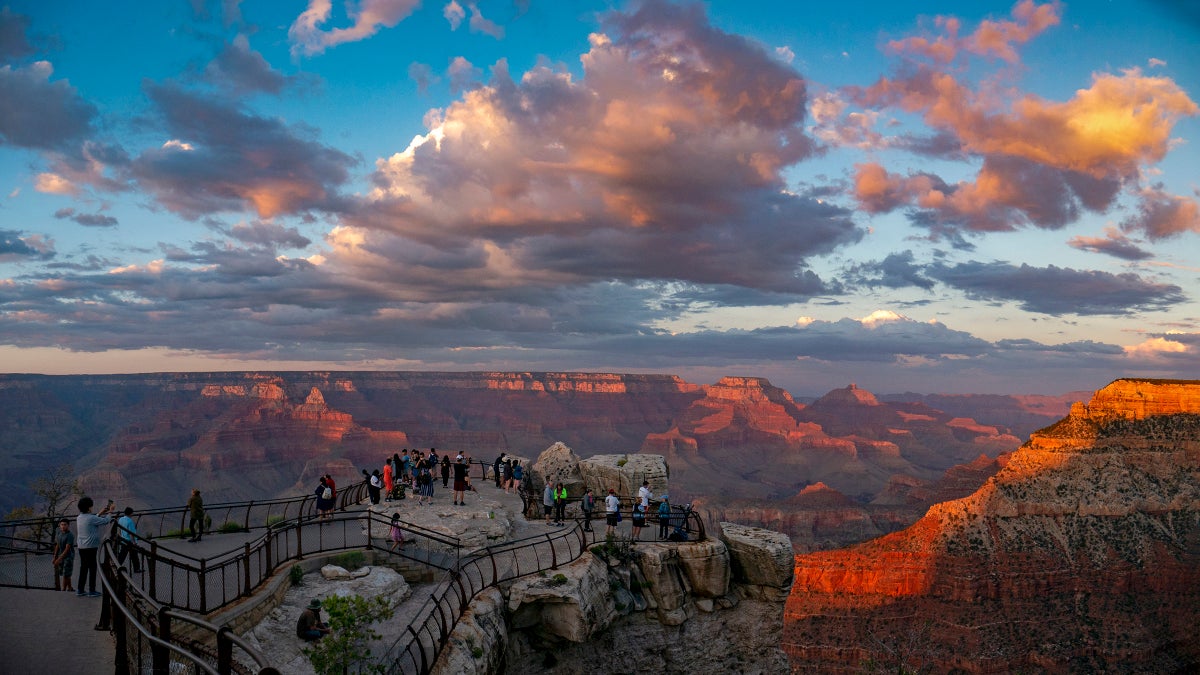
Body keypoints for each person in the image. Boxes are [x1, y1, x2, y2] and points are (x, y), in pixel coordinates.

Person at [76, 496, 114, 597]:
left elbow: (91, 520)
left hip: (81, 546)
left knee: (83, 567)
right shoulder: (91, 518)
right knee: (93, 568)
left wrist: (100, 513)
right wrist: (110, 511)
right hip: (90, 547)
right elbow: (106, 521)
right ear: (89, 508)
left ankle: (80, 589)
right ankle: (92, 590)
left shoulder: (79, 517)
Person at [116, 506, 142, 573]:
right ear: (131, 513)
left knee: (123, 555)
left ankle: (117, 565)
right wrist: (134, 543)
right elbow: (131, 534)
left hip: (123, 540)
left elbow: (119, 529)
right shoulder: (130, 521)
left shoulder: (121, 519)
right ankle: (136, 569)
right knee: (133, 556)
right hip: (129, 541)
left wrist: (120, 537)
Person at [52, 518, 75, 592]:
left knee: (65, 574)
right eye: (62, 525)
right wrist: (55, 557)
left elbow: (67, 549)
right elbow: (57, 545)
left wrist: (59, 559)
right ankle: (70, 588)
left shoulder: (70, 535)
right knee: (66, 573)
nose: (63, 526)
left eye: (65, 525)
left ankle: (63, 590)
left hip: (68, 556)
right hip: (61, 556)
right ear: (59, 525)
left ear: (68, 525)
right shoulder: (59, 533)